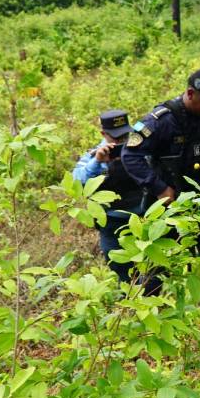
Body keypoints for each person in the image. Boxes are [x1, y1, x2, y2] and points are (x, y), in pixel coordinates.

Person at [121, 69, 200, 290]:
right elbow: (130, 155)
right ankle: (149, 302)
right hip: (168, 202)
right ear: (190, 93)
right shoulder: (161, 120)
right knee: (158, 260)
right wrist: (159, 188)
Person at [72, 110, 145, 280]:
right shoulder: (94, 155)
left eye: (124, 135)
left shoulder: (138, 148)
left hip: (142, 218)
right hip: (111, 223)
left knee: (150, 270)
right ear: (103, 134)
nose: (121, 141)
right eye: (116, 137)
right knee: (121, 270)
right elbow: (77, 180)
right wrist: (97, 162)